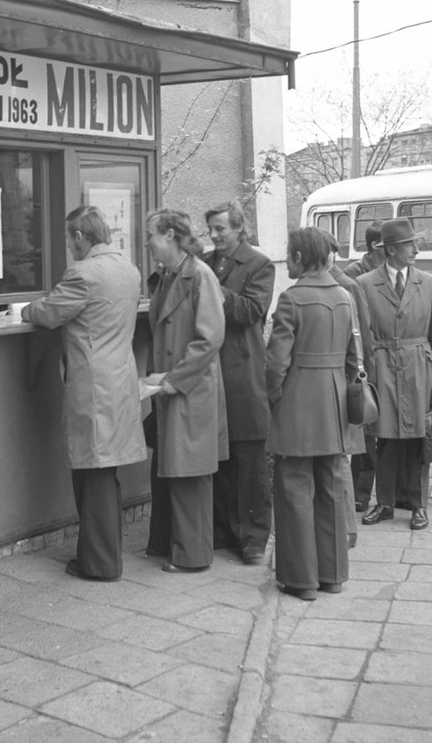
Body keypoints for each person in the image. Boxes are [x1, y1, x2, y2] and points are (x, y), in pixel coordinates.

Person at [22, 206, 146, 581]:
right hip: (120, 379)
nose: (70, 246)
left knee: (92, 474)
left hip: (92, 383)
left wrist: (26, 308)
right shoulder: (129, 269)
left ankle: (100, 562)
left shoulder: (83, 274)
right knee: (105, 473)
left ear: (80, 236)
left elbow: (48, 313)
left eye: (70, 238)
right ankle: (102, 556)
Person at [266, 227, 359, 600]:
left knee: (293, 489)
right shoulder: (343, 296)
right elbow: (354, 360)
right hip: (333, 405)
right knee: (332, 489)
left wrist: (274, 397)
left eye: (289, 254)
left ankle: (301, 580)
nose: (287, 261)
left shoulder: (291, 299)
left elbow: (276, 364)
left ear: (300, 257)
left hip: (297, 405)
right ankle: (332, 575)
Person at [144, 209, 228, 573]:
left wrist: (171, 379)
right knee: (178, 468)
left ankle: (192, 555)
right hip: (176, 385)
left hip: (189, 387)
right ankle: (179, 548)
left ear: (170, 236)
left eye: (151, 235)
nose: (147, 242)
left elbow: (210, 339)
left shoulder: (199, 276)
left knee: (190, 471)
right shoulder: (169, 276)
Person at [357, 217, 432, 531]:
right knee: (384, 440)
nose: (416, 249)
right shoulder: (366, 283)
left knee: (417, 440)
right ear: (392, 250)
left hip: (418, 366)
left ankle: (417, 505)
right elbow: (362, 334)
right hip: (381, 366)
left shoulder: (429, 283)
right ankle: (383, 503)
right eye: (410, 245)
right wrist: (363, 376)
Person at [204, 202, 275, 565]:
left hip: (243, 374)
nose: (214, 236)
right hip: (211, 371)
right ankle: (222, 531)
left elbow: (250, 313)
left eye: (221, 229)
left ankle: (253, 539)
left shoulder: (259, 265)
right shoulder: (205, 260)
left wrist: (214, 289)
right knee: (220, 455)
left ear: (238, 228)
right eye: (211, 230)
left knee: (249, 460)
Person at [323, 230, 376, 546]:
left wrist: (358, 380)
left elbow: (362, 340)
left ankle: (346, 530)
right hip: (337, 384)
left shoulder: (346, 286)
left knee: (343, 458)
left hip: (344, 385)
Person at [344, 221, 385, 513]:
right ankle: (361, 492)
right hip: (365, 361)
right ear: (375, 247)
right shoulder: (354, 277)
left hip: (387, 357)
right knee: (365, 428)